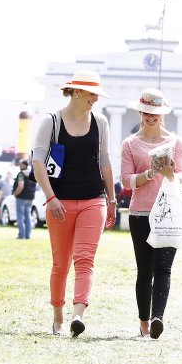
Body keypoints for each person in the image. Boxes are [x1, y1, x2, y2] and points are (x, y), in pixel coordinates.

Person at [32, 70, 116, 338]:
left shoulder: (100, 122)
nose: (95, 99)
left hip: (94, 200)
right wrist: (51, 197)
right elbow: (37, 162)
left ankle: (77, 315)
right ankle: (58, 317)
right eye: (92, 93)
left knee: (85, 260)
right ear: (77, 91)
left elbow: (104, 161)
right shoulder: (52, 122)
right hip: (60, 202)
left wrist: (111, 199)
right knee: (61, 264)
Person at [120, 88, 182, 339]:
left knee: (164, 268)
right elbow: (126, 181)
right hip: (140, 213)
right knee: (144, 271)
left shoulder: (175, 142)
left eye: (155, 112)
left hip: (169, 212)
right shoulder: (129, 144)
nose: (151, 116)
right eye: (147, 111)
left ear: (162, 114)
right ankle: (144, 323)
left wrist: (170, 174)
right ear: (140, 111)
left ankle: (158, 317)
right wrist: (149, 173)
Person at [13, 160, 36, 239]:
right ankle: (28, 235)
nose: (19, 166)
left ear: (24, 165)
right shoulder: (32, 174)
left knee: (20, 216)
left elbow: (20, 186)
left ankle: (21, 235)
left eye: (20, 164)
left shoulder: (21, 174)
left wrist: (15, 193)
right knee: (28, 216)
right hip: (30, 197)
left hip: (21, 197)